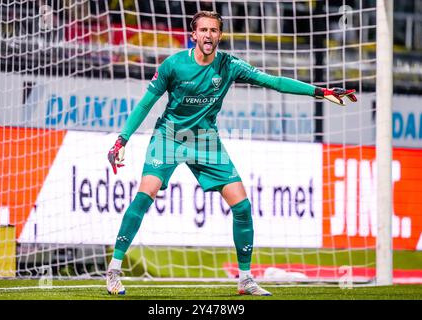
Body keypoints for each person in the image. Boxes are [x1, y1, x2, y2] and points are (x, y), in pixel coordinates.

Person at [106, 11, 357, 296]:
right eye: (203, 30)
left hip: (205, 141)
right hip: (169, 137)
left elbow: (273, 81)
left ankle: (246, 279)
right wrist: (121, 140)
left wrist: (320, 92)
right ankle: (114, 269)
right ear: (194, 35)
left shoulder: (229, 65)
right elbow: (145, 104)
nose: (208, 35)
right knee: (145, 194)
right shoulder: (173, 65)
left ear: (220, 35)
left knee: (243, 207)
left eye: (214, 30)